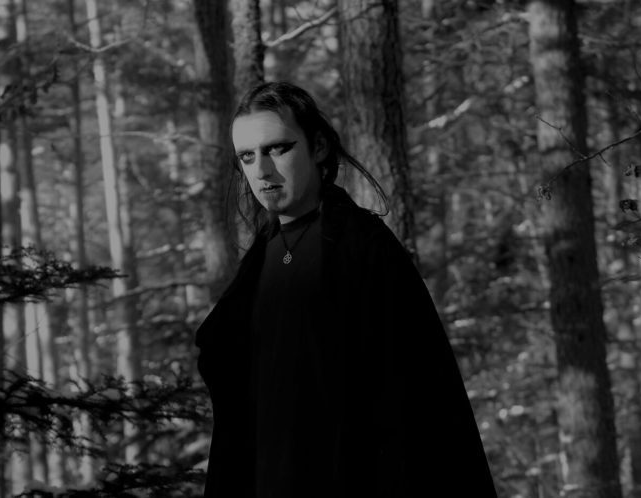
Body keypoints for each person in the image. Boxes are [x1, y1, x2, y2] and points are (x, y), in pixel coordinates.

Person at [195, 81, 497, 498]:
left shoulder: (365, 250)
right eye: (247, 156)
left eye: (278, 149)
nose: (261, 170)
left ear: (318, 147)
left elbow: (420, 402)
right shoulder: (259, 262)